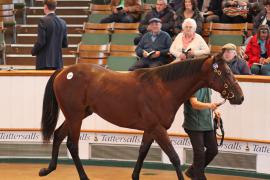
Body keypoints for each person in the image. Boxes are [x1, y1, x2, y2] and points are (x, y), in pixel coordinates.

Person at [183, 87, 221, 180]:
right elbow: (194, 104)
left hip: (207, 124)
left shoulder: (207, 85)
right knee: (199, 153)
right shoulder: (194, 85)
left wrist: (215, 110)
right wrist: (210, 106)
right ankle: (198, 176)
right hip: (193, 124)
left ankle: (192, 171)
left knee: (213, 150)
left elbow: (207, 101)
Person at [31, 0, 68, 70]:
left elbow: (41, 42)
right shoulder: (63, 22)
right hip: (58, 62)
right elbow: (64, 43)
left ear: (45, 7)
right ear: (55, 8)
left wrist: (33, 51)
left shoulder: (43, 21)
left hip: (44, 62)